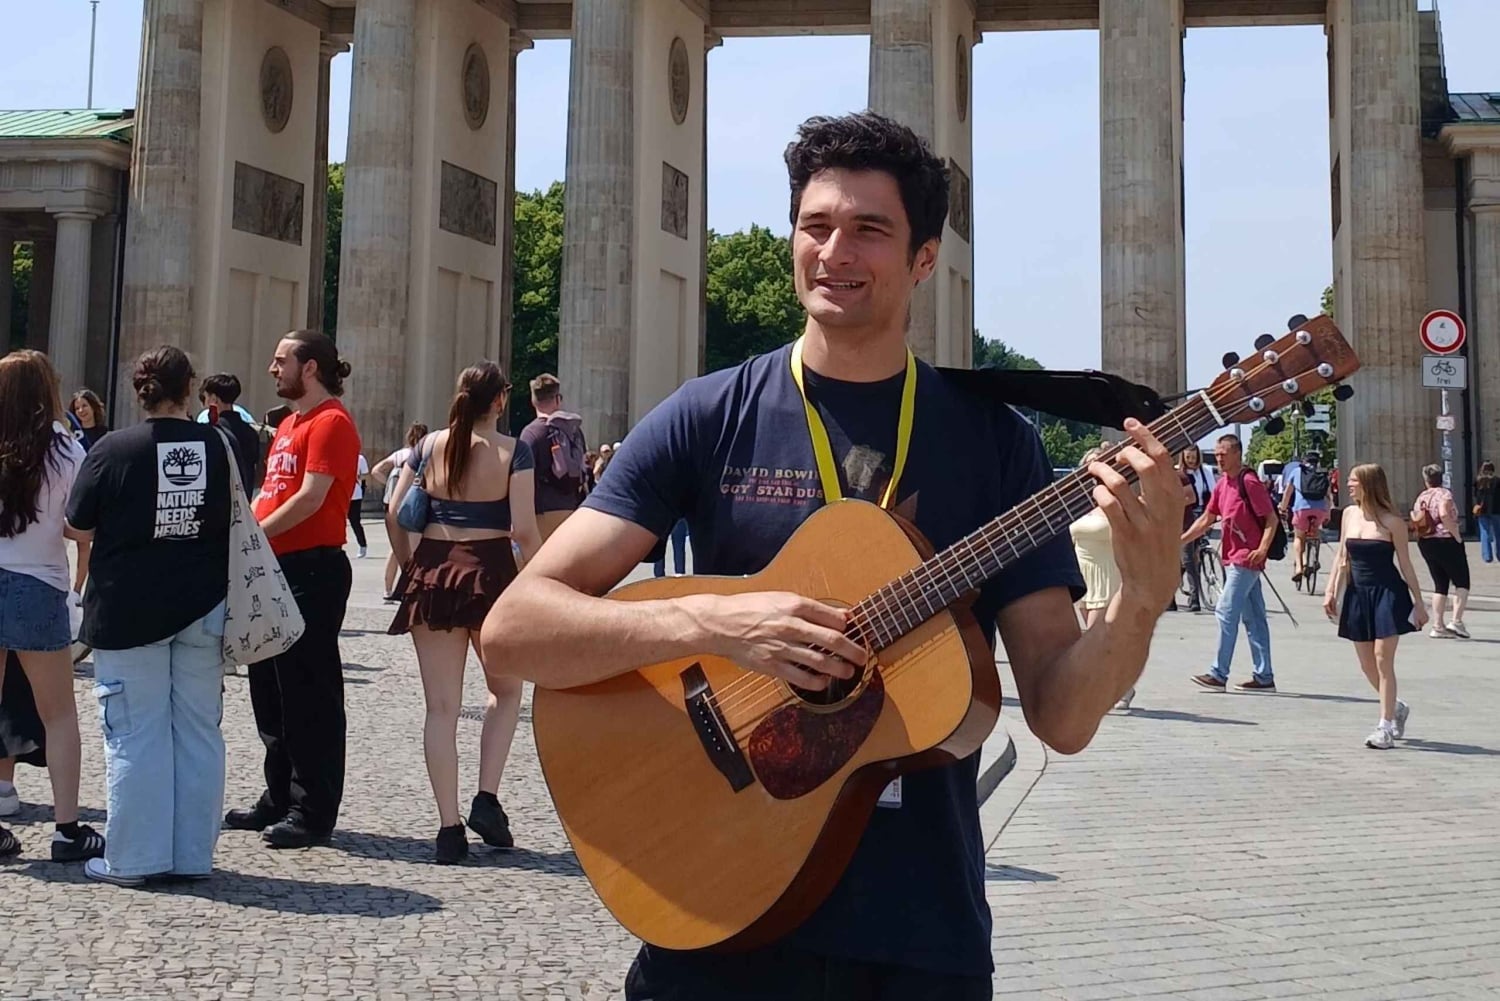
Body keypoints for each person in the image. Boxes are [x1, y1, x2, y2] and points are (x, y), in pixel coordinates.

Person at [479, 111, 1183, 1000]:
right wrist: (719, 622)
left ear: (925, 257)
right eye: (816, 225)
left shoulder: (995, 445)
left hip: (918, 934)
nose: (834, 250)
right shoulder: (709, 413)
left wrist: (1140, 601)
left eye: (869, 230)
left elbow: (1061, 716)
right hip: (713, 903)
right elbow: (512, 630)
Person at [66, 346, 236, 885]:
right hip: (201, 604)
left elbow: (77, 524)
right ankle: (192, 855)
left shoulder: (114, 449)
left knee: (135, 734)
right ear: (188, 388)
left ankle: (135, 859)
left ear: (139, 390)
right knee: (198, 731)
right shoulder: (218, 444)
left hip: (128, 607)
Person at [387, 362, 541, 863]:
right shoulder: (514, 452)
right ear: (500, 401)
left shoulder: (428, 444)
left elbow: (394, 512)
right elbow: (522, 530)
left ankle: (448, 827)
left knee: (440, 709)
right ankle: (487, 798)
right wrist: (542, 583)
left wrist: (412, 564)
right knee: (506, 692)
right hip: (491, 576)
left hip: (432, 573)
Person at [226, 330, 360, 849]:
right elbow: (273, 491)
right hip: (274, 568)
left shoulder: (331, 423)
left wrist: (252, 535)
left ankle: (313, 810)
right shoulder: (290, 425)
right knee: (270, 691)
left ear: (310, 369)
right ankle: (278, 795)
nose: (271, 368)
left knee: (310, 695)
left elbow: (310, 499)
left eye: (281, 360)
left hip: (313, 570)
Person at [0, 349, 103, 862]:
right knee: (58, 714)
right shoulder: (65, 451)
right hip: (37, 582)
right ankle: (66, 828)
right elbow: (78, 525)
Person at [1322, 464, 1425, 749]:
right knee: (1367, 664)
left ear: (1368, 484)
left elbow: (1405, 564)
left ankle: (1385, 727)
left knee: (1382, 658)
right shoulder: (1349, 515)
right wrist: (1330, 590)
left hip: (1388, 593)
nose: (1349, 485)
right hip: (1358, 593)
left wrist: (1419, 603)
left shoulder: (1392, 522)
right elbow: (1342, 555)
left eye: (1353, 481)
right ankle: (1396, 707)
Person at [1182, 434, 1278, 692]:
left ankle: (1218, 673)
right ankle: (1264, 676)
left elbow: (1271, 519)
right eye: (1218, 453)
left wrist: (1262, 548)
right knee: (1255, 618)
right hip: (1232, 557)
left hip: (1246, 558)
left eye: (1224, 453)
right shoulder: (1222, 484)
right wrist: (1181, 540)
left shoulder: (1249, 481)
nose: (1220, 458)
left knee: (1225, 611)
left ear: (1237, 454)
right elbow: (1207, 518)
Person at [1069, 447, 1132, 710]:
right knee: (1101, 641)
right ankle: (1124, 685)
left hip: (1106, 573)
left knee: (1093, 639)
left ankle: (1093, 693)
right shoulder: (1077, 503)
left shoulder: (1117, 501)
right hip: (1082, 576)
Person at [518, 373, 588, 544]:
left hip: (542, 511)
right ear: (558, 399)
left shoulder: (531, 433)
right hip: (571, 508)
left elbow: (523, 478)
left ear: (533, 401)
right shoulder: (574, 431)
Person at [1410, 464, 1471, 639]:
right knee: (1462, 582)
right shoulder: (1444, 494)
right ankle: (1457, 621)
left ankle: (1438, 625)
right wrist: (1456, 535)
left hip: (1426, 542)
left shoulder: (1421, 496)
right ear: (1440, 477)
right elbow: (1444, 513)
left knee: (1440, 583)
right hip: (1446, 541)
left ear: (1426, 479)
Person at [371, 422, 430, 601]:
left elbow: (375, 470)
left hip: (393, 505)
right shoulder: (423, 455)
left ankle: (388, 589)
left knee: (395, 550)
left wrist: (388, 483)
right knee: (415, 549)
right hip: (413, 506)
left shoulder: (399, 454)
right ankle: (413, 588)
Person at [200, 373, 264, 497]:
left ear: (214, 399)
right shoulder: (250, 431)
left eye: (206, 397)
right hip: (245, 499)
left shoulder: (211, 432)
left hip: (221, 502)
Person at [1278, 450, 1332, 585]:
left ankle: (1299, 567)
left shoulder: (1297, 471)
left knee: (1298, 537)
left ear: (1304, 461)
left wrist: (1283, 508)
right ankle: (1312, 559)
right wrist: (1328, 513)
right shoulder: (1322, 473)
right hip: (1320, 509)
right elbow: (1328, 496)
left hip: (1301, 509)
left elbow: (1287, 493)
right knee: (1315, 532)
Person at [1175, 444, 1214, 613]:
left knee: (1187, 560)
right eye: (1188, 458)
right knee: (1189, 559)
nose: (1191, 461)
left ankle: (1169, 595)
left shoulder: (1206, 472)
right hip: (1185, 520)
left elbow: (1213, 492)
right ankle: (1194, 598)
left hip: (1203, 515)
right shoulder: (1179, 474)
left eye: (1194, 457)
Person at [1475, 460, 1500, 563]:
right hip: (1496, 509)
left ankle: (1487, 556)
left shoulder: (1478, 481)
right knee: (1498, 533)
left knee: (1484, 532)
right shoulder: (1497, 481)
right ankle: (1499, 554)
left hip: (1482, 510)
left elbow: (1475, 495)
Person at [348, 452, 370, 558]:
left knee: (355, 521)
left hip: (355, 494)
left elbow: (365, 475)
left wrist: (354, 477)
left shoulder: (360, 458)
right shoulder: (338, 456)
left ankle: (362, 545)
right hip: (340, 493)